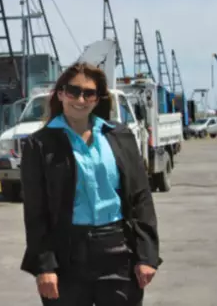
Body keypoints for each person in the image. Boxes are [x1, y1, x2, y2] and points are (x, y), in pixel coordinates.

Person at [19, 62, 161, 306]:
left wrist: (147, 255)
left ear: (98, 98)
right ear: (60, 94)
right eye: (73, 91)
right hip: (66, 256)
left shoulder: (120, 136)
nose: (80, 99)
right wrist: (45, 266)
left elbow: (141, 197)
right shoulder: (39, 144)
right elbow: (36, 212)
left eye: (89, 93)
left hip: (118, 251)